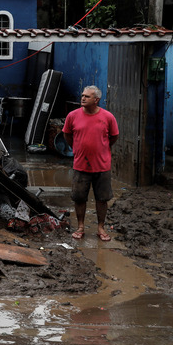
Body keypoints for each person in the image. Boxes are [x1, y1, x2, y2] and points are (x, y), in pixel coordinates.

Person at [61, 85, 119, 242]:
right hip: (81, 165)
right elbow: (67, 134)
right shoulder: (72, 116)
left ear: (96, 100)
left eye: (87, 96)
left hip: (102, 166)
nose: (83, 98)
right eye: (82, 95)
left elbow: (114, 137)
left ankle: (101, 227)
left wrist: (102, 149)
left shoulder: (108, 117)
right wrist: (78, 148)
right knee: (79, 197)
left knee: (102, 198)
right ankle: (80, 226)